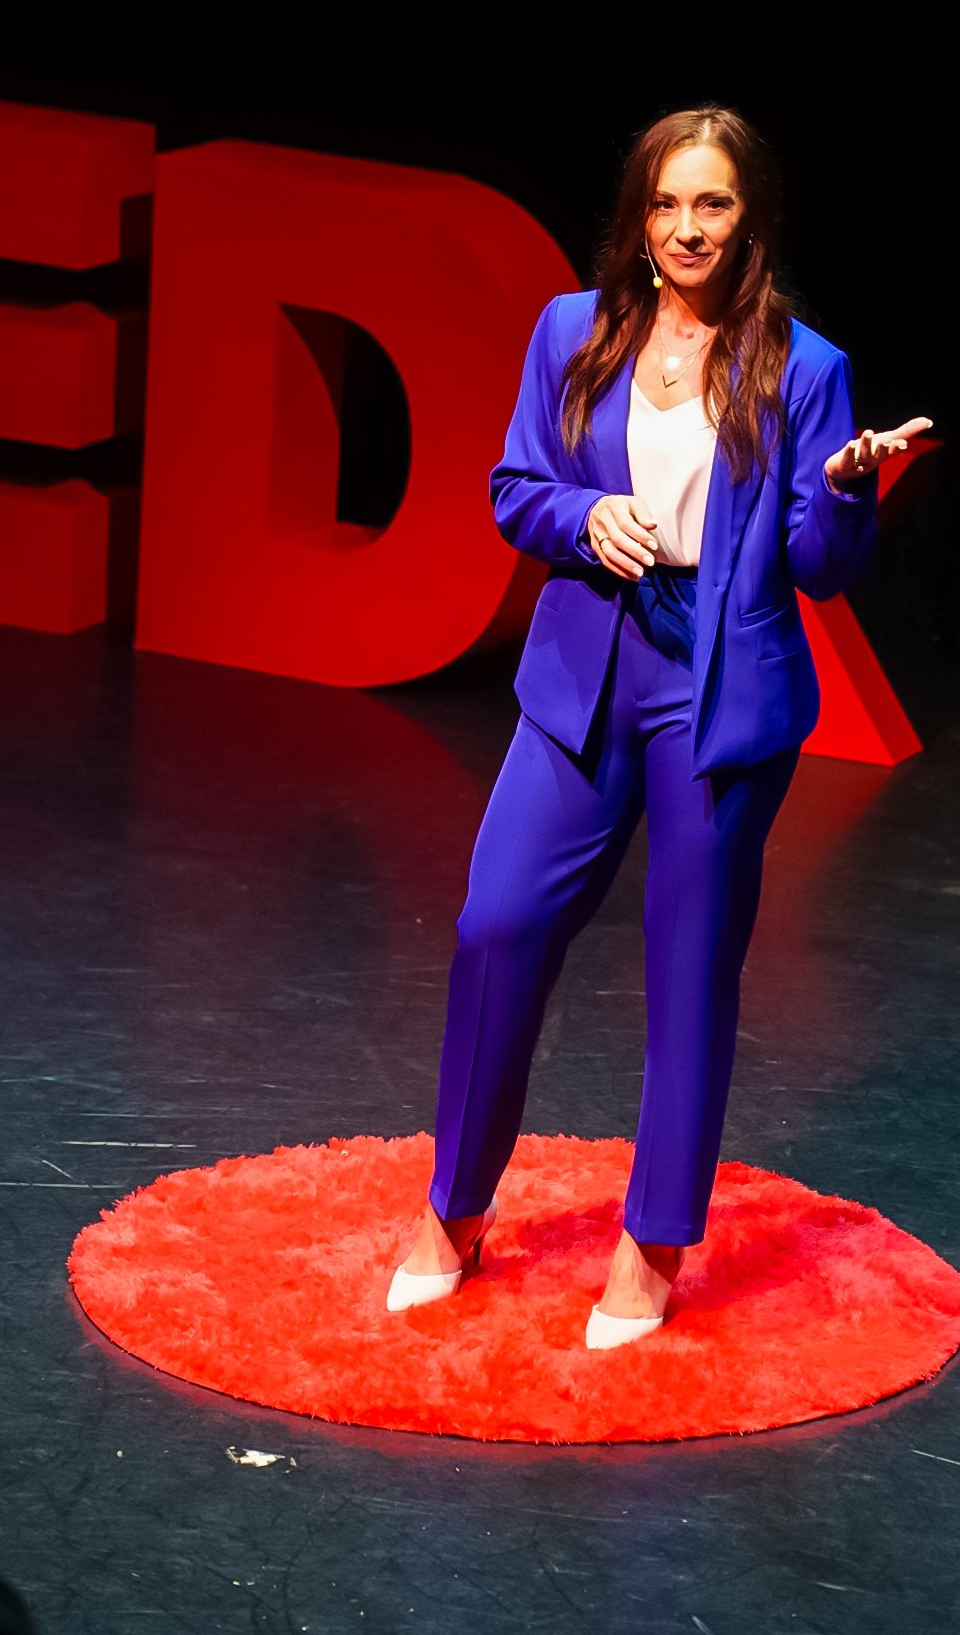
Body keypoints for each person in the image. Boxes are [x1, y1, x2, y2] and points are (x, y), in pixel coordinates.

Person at [388, 105, 931, 1348]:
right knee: (495, 922)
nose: (688, 227)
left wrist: (847, 488)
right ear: (639, 218)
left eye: (714, 203)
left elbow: (816, 562)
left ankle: (656, 1240)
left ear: (751, 219)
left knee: (690, 967)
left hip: (718, 686)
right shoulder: (571, 332)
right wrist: (585, 518)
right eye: (668, 202)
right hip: (588, 664)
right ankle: (455, 1205)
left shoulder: (804, 366)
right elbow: (515, 488)